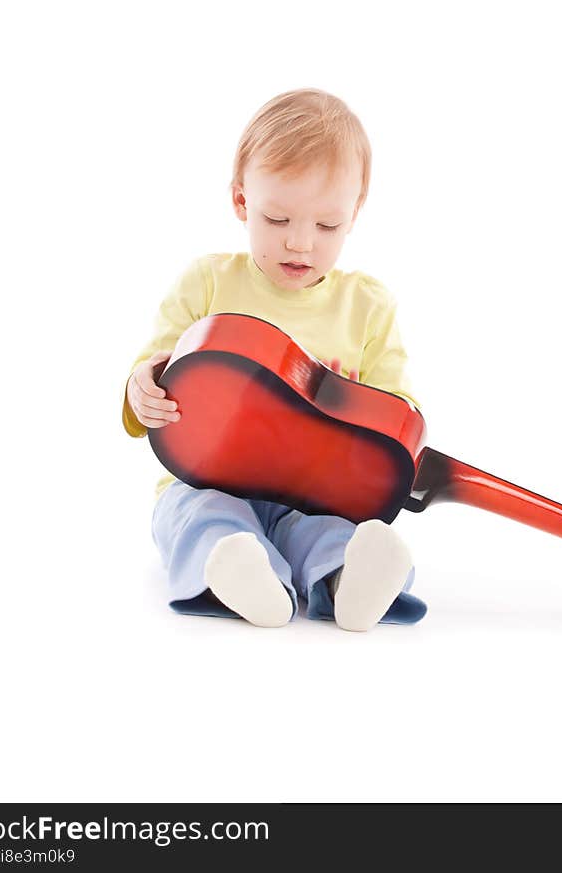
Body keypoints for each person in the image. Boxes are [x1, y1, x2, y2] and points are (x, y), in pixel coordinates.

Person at [121, 88, 427, 632]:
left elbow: (397, 413)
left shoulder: (369, 306)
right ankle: (235, 571)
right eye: (278, 219)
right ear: (241, 201)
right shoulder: (207, 282)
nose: (301, 244)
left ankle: (351, 578)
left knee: (335, 531)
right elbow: (154, 370)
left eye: (327, 226)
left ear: (355, 212)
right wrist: (142, 386)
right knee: (201, 515)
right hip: (207, 476)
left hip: (313, 493)